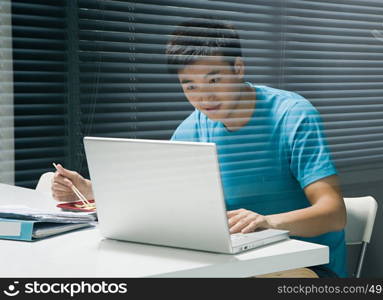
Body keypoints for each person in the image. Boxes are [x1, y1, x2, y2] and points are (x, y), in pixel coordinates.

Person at [52, 18, 347, 278]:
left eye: (214, 79)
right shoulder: (190, 129)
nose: (203, 96)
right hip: (233, 262)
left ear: (238, 68)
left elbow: (333, 213)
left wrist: (267, 222)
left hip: (306, 266)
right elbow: (161, 201)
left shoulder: (293, 115)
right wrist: (91, 190)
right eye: (189, 86)